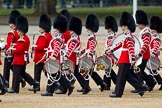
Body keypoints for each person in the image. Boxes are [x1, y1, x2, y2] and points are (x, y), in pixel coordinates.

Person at [109, 11, 148, 98]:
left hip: (125, 59)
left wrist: (133, 58)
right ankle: (141, 87)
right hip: (124, 58)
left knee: (120, 77)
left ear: (126, 26)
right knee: (127, 76)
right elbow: (121, 44)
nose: (122, 27)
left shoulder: (129, 36)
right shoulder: (127, 35)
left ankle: (118, 93)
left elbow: (131, 49)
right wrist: (112, 49)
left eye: (123, 26)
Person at [41, 14, 74, 96]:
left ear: (59, 29)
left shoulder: (58, 38)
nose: (54, 31)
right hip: (55, 58)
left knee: (51, 74)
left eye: (56, 29)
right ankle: (69, 85)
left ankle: (49, 91)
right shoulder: (59, 37)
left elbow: (56, 48)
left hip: (55, 58)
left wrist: (53, 56)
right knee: (56, 74)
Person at [7, 15, 39, 93]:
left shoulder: (22, 39)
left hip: (19, 59)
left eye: (18, 30)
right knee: (22, 73)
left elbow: (18, 50)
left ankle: (15, 88)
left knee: (16, 74)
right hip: (22, 58)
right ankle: (34, 82)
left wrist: (11, 51)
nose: (17, 32)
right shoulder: (25, 38)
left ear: (21, 30)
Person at [77, 14, 107, 93]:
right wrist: (82, 52)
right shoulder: (91, 36)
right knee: (90, 72)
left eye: (88, 29)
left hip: (90, 56)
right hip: (89, 55)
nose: (87, 30)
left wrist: (88, 56)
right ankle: (101, 83)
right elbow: (88, 47)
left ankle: (86, 87)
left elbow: (91, 48)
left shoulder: (92, 37)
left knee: (86, 71)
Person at [64, 16, 91, 94]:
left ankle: (67, 87)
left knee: (68, 72)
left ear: (74, 31)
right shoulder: (74, 38)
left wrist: (66, 56)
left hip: (72, 58)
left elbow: (70, 49)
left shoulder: (74, 39)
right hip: (73, 58)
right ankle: (85, 87)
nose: (69, 31)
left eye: (71, 30)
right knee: (76, 73)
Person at [132, 10, 157, 92]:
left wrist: (139, 54)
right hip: (143, 55)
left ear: (142, 24)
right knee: (140, 70)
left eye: (139, 24)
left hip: (144, 55)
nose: (138, 26)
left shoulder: (146, 32)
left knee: (137, 70)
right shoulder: (144, 31)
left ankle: (140, 86)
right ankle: (151, 82)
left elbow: (145, 45)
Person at [28, 14, 52, 92]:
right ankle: (55, 83)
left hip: (40, 57)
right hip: (45, 56)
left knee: (37, 73)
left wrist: (34, 46)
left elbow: (40, 47)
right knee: (47, 72)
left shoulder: (43, 36)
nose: (39, 29)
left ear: (44, 28)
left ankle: (36, 86)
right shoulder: (49, 35)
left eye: (41, 27)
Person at [3, 10, 26, 89]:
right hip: (14, 53)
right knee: (13, 68)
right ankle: (20, 79)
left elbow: (9, 44)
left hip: (11, 52)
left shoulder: (12, 33)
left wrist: (6, 50)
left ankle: (5, 84)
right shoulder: (18, 32)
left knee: (6, 70)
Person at [145, 16, 162, 90]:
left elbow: (156, 46)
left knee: (152, 70)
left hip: (153, 55)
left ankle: (151, 83)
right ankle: (153, 83)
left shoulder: (155, 36)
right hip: (150, 54)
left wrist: (153, 52)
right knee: (151, 70)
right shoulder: (152, 35)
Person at [102, 15, 117, 90]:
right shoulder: (111, 35)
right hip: (108, 55)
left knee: (107, 70)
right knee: (108, 70)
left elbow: (110, 46)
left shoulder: (112, 36)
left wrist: (106, 52)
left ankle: (107, 85)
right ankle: (115, 82)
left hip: (110, 55)